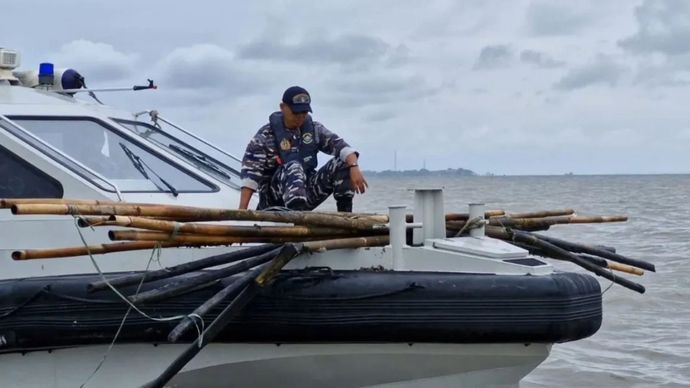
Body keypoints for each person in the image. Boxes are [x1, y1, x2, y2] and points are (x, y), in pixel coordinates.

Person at [239, 86, 367, 212]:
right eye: (295, 112)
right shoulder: (264, 137)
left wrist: (354, 166)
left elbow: (344, 148)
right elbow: (250, 177)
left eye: (304, 113)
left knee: (344, 162)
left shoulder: (314, 130)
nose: (300, 117)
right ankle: (296, 221)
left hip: (307, 193)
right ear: (283, 107)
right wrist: (242, 212)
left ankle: (345, 217)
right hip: (274, 200)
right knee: (294, 165)